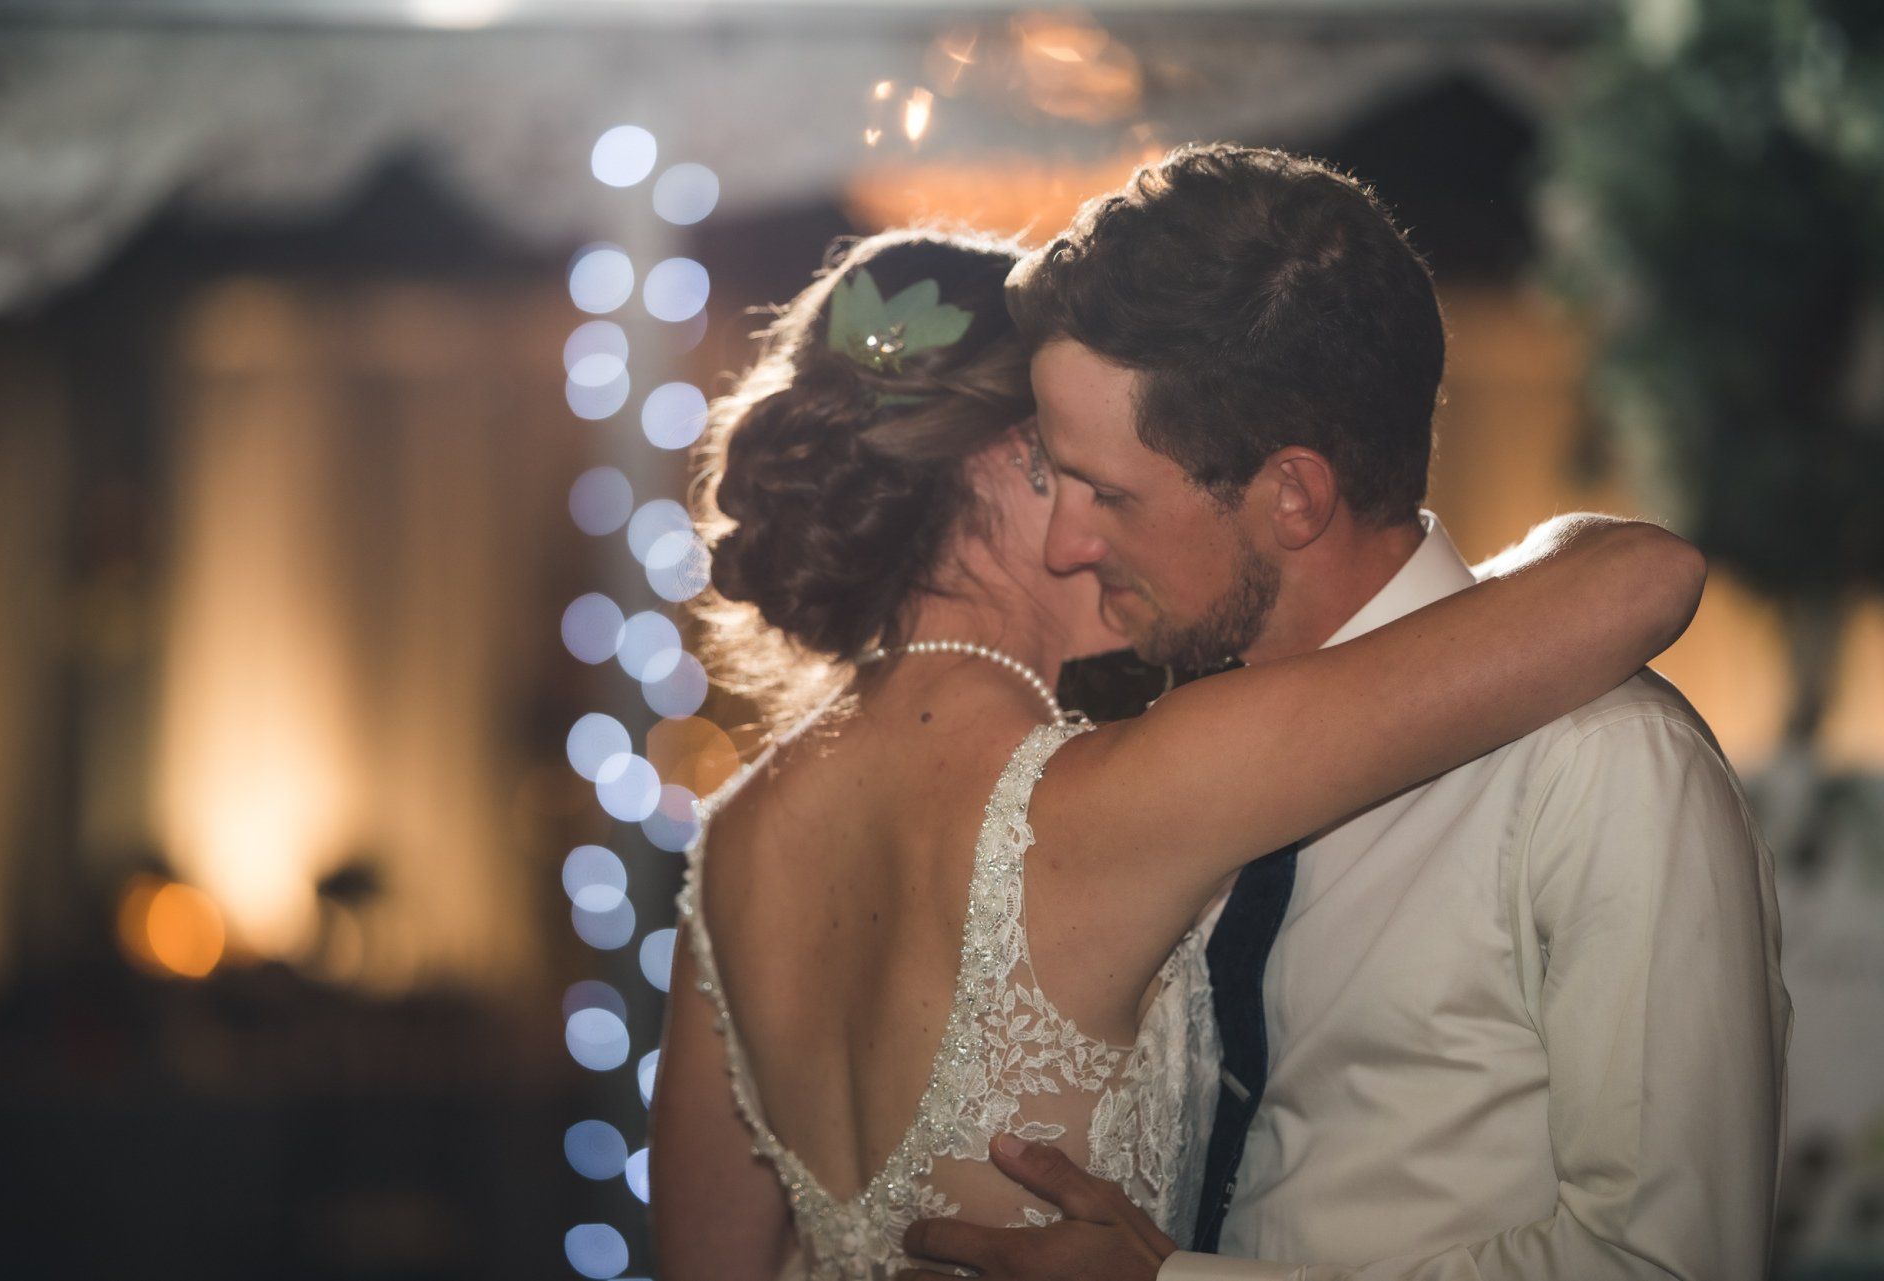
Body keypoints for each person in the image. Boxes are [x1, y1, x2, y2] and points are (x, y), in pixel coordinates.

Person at [647, 222, 1707, 1281]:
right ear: (1012, 461)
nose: (1108, 511)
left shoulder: (731, 846)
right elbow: (1645, 578)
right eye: (1087, 466)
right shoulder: (1105, 801)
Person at [896, 147, 1791, 1281]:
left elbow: (1669, 1266)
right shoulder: (1178, 741)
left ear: (1293, 495)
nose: (1067, 545)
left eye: (1110, 494)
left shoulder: (1602, 765)